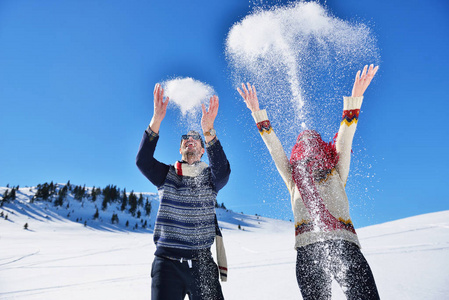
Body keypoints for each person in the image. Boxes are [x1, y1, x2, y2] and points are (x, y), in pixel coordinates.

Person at [238, 65, 380, 300]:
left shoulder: (335, 171)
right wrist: (257, 112)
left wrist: (356, 98)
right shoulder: (293, 177)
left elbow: (345, 137)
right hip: (308, 251)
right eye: (302, 140)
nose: (307, 141)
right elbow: (275, 149)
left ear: (324, 146)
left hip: (345, 245)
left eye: (313, 138)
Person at [136, 83, 231, 300]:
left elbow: (223, 171)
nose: (190, 139)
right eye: (185, 139)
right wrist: (156, 121)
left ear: (202, 150)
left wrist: (208, 130)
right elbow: (142, 161)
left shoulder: (209, 178)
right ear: (180, 149)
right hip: (167, 265)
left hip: (202, 265)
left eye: (196, 138)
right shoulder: (166, 174)